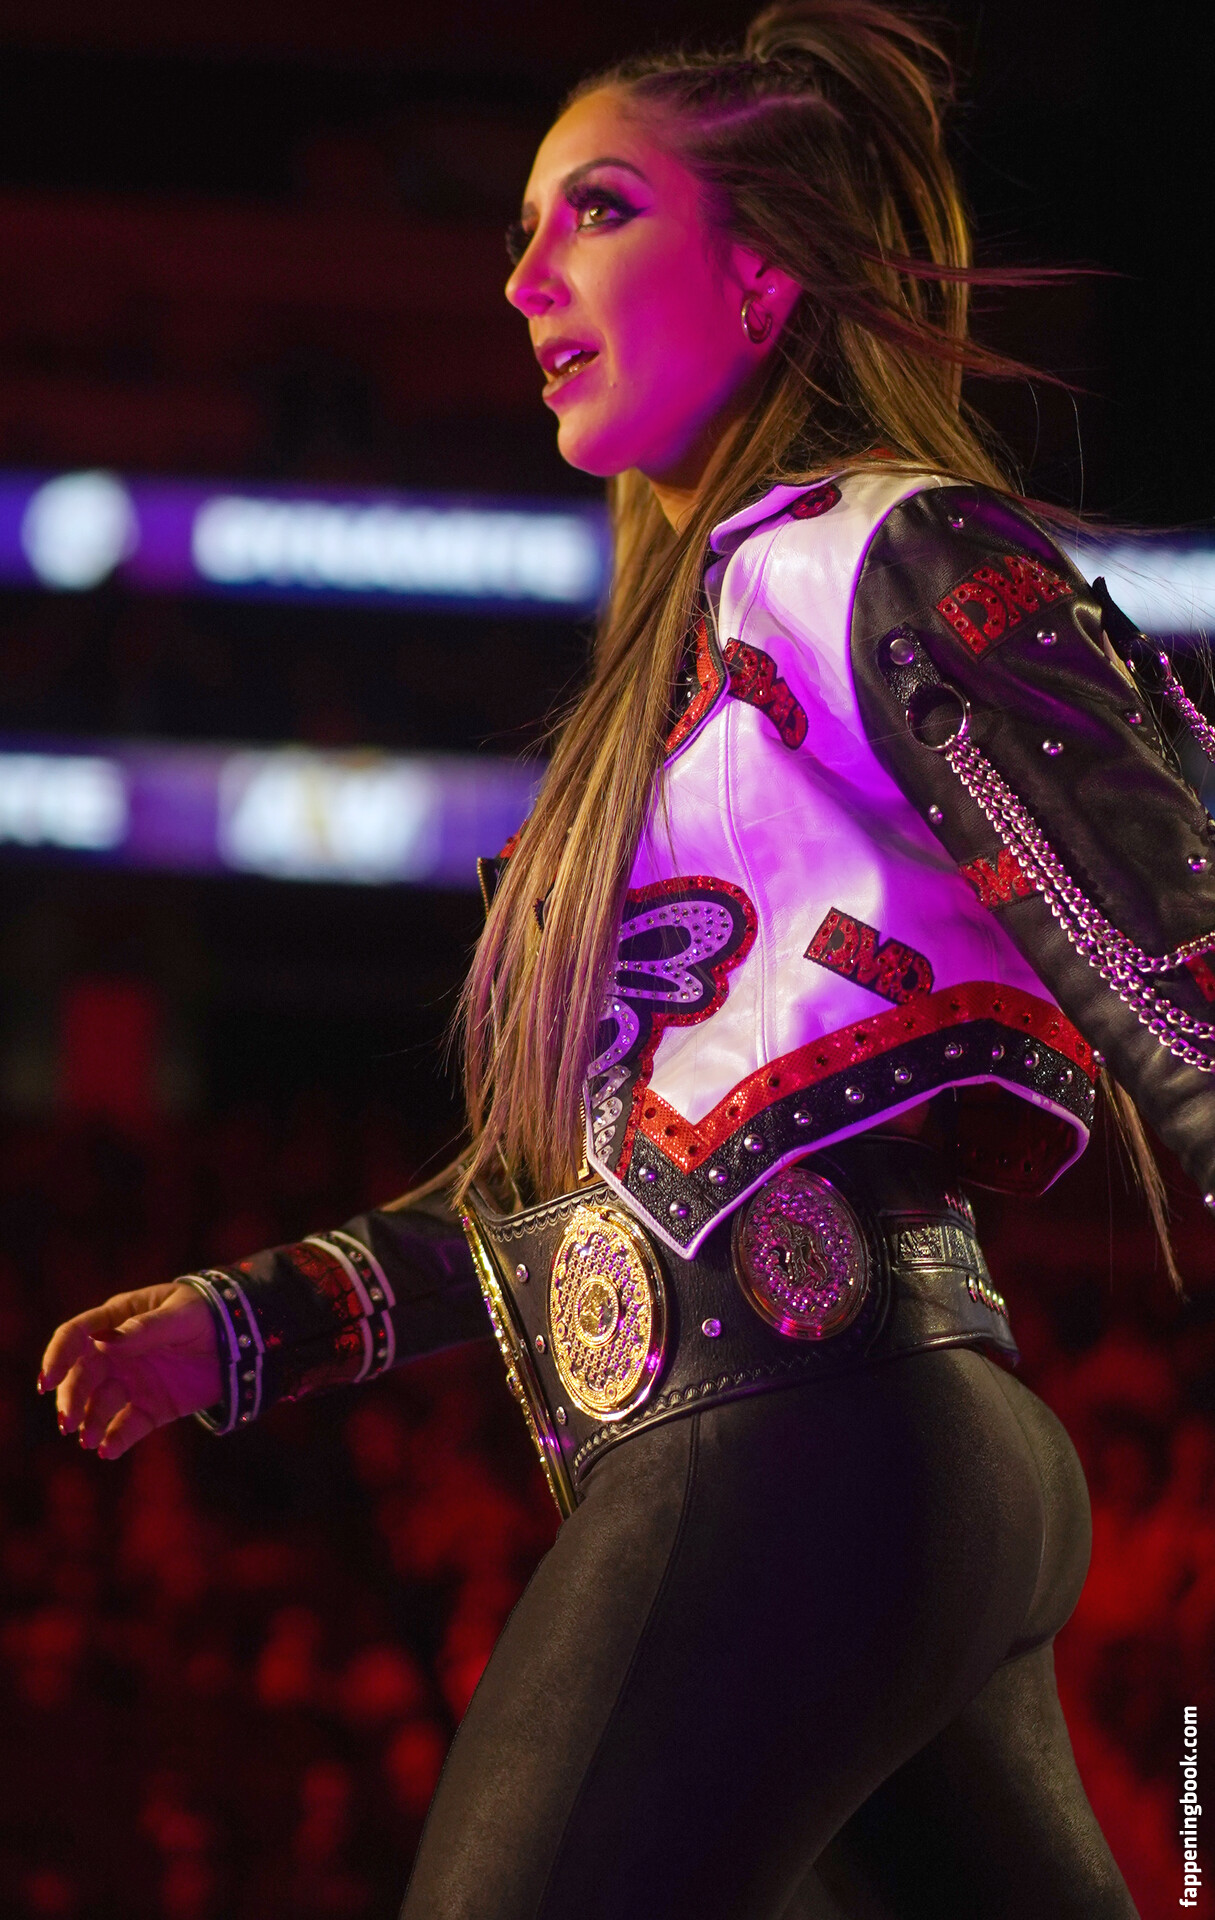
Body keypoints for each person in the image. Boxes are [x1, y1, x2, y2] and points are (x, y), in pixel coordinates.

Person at [38, 5, 1215, 1915]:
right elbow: (604, 1199)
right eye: (521, 230)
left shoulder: (866, 551)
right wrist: (249, 1322)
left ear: (764, 276)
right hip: (883, 1455)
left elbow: (1179, 958)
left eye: (595, 210)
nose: (523, 281)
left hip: (806, 1445)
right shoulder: (693, 679)